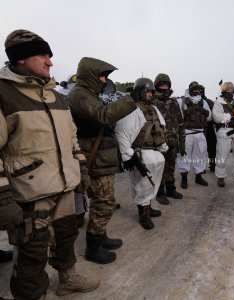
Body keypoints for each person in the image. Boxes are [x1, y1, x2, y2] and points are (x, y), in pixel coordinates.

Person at [0, 29, 99, 299]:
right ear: (20, 59)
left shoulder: (57, 96)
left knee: (66, 236)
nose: (50, 62)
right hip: (30, 194)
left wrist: (81, 167)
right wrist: (2, 196)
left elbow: (72, 139)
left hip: (65, 187)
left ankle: (68, 279)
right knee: (32, 253)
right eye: (43, 55)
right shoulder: (4, 94)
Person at [68, 57, 138, 264]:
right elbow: (103, 116)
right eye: (102, 75)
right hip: (94, 158)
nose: (104, 80)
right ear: (90, 74)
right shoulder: (79, 94)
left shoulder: (89, 94)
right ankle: (93, 246)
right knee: (104, 202)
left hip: (100, 157)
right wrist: (131, 99)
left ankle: (100, 235)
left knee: (101, 201)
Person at [114, 78, 167, 230]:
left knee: (152, 183)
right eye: (147, 92)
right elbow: (122, 133)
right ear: (139, 92)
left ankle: (149, 208)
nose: (150, 95)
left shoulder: (154, 109)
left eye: (152, 92)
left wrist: (163, 145)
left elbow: (161, 126)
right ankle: (143, 215)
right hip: (141, 153)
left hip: (156, 152)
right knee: (142, 185)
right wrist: (127, 155)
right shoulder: (132, 109)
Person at [153, 73, 185, 204]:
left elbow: (180, 122)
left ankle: (170, 189)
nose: (164, 87)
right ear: (156, 86)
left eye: (166, 84)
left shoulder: (174, 103)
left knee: (171, 166)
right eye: (161, 84)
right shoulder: (153, 102)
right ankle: (159, 192)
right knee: (160, 167)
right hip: (158, 142)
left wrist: (182, 142)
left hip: (173, 141)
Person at [177, 82, 211, 188]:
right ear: (190, 89)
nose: (197, 91)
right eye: (194, 89)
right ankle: (184, 178)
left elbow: (209, 117)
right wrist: (189, 111)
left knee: (200, 156)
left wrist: (201, 110)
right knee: (184, 156)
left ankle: (198, 177)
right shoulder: (181, 101)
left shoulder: (203, 102)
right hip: (187, 134)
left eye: (198, 90)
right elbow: (178, 117)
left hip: (200, 133)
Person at [201, 85, 217, 172]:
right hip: (199, 129)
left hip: (209, 127)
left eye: (201, 91)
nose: (200, 93)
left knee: (212, 147)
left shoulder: (209, 102)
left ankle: (212, 164)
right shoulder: (193, 102)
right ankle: (202, 167)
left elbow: (214, 115)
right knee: (201, 149)